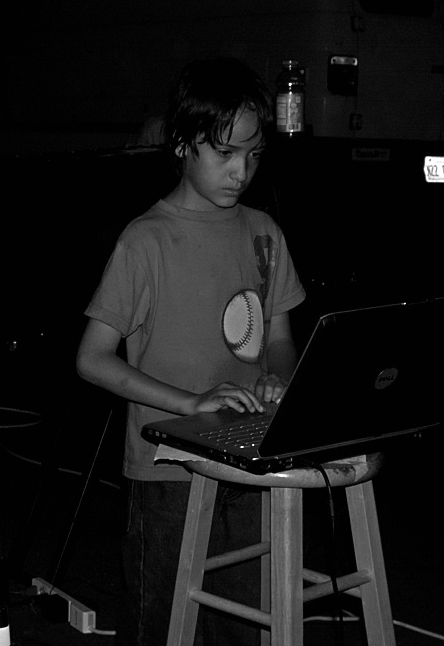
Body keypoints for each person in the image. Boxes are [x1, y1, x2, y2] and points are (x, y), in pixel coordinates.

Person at [74, 56, 306, 645]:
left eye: (254, 155)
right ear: (181, 144)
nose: (240, 171)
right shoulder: (146, 240)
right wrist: (189, 402)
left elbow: (280, 339)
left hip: (247, 458)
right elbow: (93, 358)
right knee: (164, 620)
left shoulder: (264, 232)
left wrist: (276, 378)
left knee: (243, 619)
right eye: (224, 153)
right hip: (167, 470)